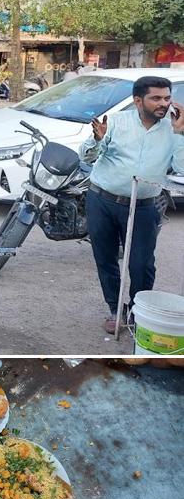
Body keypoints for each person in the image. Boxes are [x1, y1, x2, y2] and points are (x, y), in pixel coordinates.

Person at [81, 76, 184, 333]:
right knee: (105, 258)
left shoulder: (173, 128)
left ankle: (138, 312)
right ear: (138, 101)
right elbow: (86, 157)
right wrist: (97, 140)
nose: (164, 104)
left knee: (141, 264)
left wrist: (180, 134)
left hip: (145, 205)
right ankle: (116, 310)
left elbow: (182, 168)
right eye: (156, 98)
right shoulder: (116, 122)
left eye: (167, 98)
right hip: (102, 200)